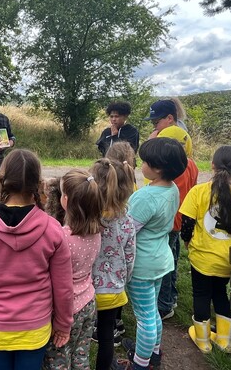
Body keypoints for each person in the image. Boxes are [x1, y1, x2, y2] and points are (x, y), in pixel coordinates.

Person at [0, 149, 74, 370]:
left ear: (2, 180)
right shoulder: (53, 229)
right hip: (35, 327)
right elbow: (63, 287)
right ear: (38, 183)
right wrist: (63, 324)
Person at [118, 138, 187, 370]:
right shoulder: (172, 188)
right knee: (152, 312)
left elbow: (127, 231)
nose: (141, 164)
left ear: (158, 168)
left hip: (142, 266)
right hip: (160, 259)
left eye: (145, 161)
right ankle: (153, 352)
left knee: (144, 317)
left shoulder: (145, 197)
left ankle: (140, 364)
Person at [179, 145, 231, 354]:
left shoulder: (198, 192)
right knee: (220, 293)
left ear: (212, 165)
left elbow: (187, 223)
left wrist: (187, 242)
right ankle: (224, 341)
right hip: (227, 259)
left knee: (201, 295)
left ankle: (203, 341)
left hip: (202, 258)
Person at [43, 169, 102, 370]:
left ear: (65, 200)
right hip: (89, 302)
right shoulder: (96, 232)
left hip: (66, 308)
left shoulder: (61, 237)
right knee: (80, 355)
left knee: (58, 358)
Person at [90, 159, 136, 370]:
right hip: (114, 290)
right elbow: (130, 257)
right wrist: (124, 280)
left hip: (85, 292)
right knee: (107, 336)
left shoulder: (85, 219)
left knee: (81, 335)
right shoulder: (126, 222)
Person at [156, 127, 199, 320]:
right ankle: (171, 297)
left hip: (169, 221)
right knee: (172, 257)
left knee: (165, 262)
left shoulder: (172, 168)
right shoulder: (191, 164)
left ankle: (164, 304)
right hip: (181, 219)